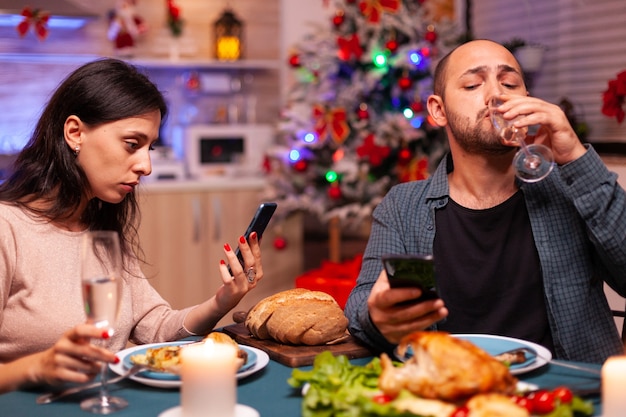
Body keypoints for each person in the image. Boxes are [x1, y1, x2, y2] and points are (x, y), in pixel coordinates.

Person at [345, 39, 626, 364]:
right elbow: (362, 306)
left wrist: (576, 157)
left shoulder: (569, 187)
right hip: (452, 395)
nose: (497, 94)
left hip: (568, 396)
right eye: (473, 84)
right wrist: (377, 315)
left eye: (509, 83)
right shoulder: (404, 206)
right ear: (439, 110)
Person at [0, 58, 264, 393]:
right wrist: (36, 367)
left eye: (150, 147)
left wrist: (223, 300)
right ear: (74, 133)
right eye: (132, 144)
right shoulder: (7, 228)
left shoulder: (100, 229)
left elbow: (155, 330)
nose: (146, 165)